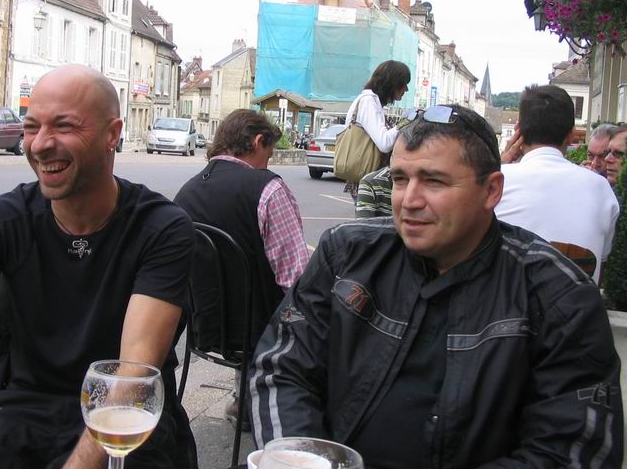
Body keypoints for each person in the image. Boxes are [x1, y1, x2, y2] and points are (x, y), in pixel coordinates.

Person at [250, 104, 623, 468]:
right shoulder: (345, 255)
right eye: (400, 179)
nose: (409, 201)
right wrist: (304, 460)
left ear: (491, 191)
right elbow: (280, 369)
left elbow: (574, 447)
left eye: (434, 181)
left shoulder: (557, 294)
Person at [0, 66, 197, 469]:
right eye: (31, 127)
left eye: (64, 126)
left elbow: (132, 374)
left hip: (127, 423)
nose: (40, 144)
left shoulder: (161, 228)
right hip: (19, 413)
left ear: (112, 134)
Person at [174, 109, 308, 432]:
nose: (267, 164)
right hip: (257, 333)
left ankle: (244, 398)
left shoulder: (186, 192)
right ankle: (280, 405)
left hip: (205, 328)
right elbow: (296, 279)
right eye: (268, 155)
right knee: (316, 306)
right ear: (258, 141)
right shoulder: (268, 188)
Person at [496, 85, 618, 285]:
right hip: (578, 301)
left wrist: (499, 164)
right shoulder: (601, 188)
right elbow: (600, 267)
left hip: (506, 300)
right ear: (571, 135)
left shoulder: (496, 181)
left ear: (519, 131)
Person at [342, 61, 410, 202]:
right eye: (404, 84)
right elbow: (384, 143)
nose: (406, 89)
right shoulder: (368, 101)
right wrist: (405, 122)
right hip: (367, 182)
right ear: (393, 83)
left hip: (368, 179)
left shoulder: (372, 101)